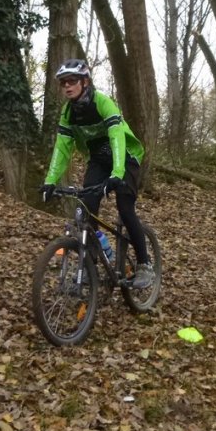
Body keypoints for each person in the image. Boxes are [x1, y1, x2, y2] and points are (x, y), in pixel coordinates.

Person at [40, 58, 155, 289]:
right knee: (85, 212)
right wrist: (50, 181)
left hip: (126, 157)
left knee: (125, 207)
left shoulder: (103, 102)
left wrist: (118, 173)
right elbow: (62, 148)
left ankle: (144, 265)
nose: (67, 86)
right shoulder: (68, 113)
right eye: (63, 83)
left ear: (85, 81)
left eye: (71, 81)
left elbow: (117, 138)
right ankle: (90, 269)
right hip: (99, 160)